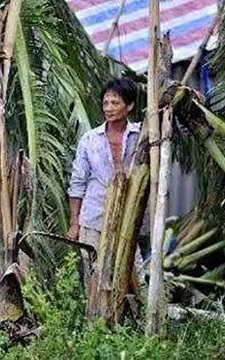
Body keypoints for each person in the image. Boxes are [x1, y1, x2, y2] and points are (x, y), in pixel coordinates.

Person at [67, 77, 145, 294]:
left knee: (134, 273)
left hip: (129, 216)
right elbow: (77, 183)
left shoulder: (142, 136)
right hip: (93, 217)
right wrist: (75, 223)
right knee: (95, 275)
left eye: (115, 103)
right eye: (106, 103)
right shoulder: (90, 140)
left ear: (129, 106)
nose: (109, 108)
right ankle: (96, 325)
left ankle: (137, 322)